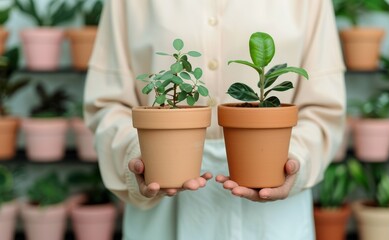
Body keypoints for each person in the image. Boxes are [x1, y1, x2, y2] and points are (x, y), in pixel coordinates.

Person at [84, 0, 346, 239]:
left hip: (272, 217)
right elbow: (107, 103)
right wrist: (144, 156)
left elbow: (323, 109)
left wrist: (292, 160)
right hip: (164, 208)